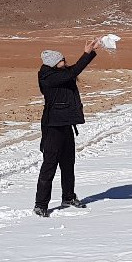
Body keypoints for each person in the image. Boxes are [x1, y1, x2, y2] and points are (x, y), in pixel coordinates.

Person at [34, 37, 102, 217]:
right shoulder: (48, 77)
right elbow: (73, 72)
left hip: (65, 125)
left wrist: (90, 52)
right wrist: (86, 53)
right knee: (49, 165)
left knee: (68, 163)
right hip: (53, 126)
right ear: (53, 63)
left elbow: (73, 70)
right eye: (61, 59)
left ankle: (68, 197)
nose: (64, 61)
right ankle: (41, 204)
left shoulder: (60, 73)